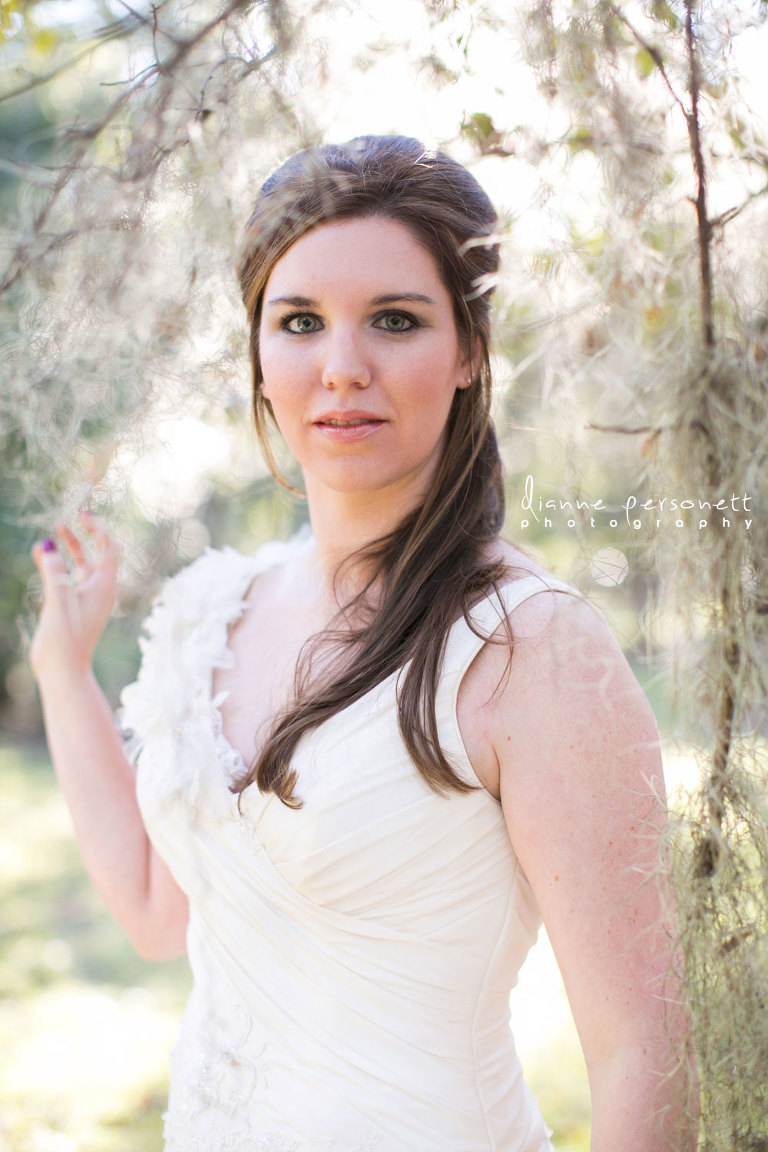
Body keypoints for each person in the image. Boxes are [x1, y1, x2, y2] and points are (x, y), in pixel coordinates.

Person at [30, 135, 694, 1151]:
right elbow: (163, 914)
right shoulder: (213, 612)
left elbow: (640, 1050)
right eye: (299, 322)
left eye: (394, 319)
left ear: (469, 350)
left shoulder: (534, 650)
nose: (342, 369)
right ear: (258, 351)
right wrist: (62, 673)